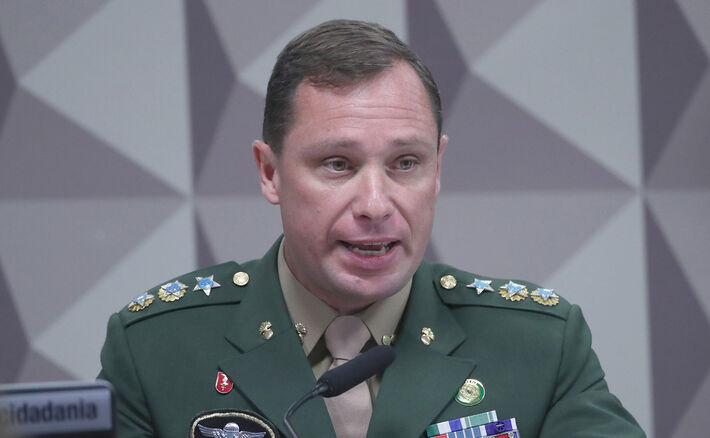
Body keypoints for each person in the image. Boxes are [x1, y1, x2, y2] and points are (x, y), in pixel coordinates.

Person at [98, 19, 645, 438]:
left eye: (406, 163)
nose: (376, 204)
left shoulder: (540, 345)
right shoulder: (155, 350)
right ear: (270, 173)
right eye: (338, 164)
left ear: (438, 168)